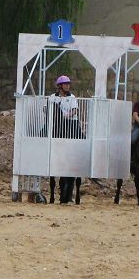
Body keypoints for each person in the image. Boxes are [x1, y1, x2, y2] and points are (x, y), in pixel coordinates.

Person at [48, 75, 82, 204]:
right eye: (65, 84)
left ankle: (82, 151)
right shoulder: (53, 97)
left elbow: (75, 111)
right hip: (57, 123)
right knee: (43, 131)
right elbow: (47, 109)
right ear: (60, 86)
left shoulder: (72, 98)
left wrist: (68, 115)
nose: (68, 86)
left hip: (70, 122)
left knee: (80, 136)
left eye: (68, 84)